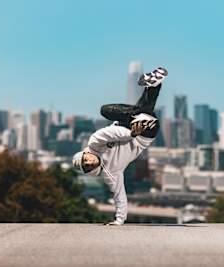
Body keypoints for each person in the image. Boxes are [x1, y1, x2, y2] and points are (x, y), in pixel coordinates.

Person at [72, 67, 168, 225]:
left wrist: (130, 133)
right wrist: (119, 221)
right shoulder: (111, 175)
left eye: (85, 160)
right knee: (142, 115)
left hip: (126, 125)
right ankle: (149, 94)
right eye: (87, 167)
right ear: (90, 171)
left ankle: (154, 85)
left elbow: (112, 133)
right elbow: (119, 196)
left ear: (85, 153)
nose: (89, 162)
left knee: (106, 110)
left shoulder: (94, 142)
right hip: (145, 134)